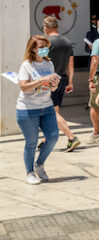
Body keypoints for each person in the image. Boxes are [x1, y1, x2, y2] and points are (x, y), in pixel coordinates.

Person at [16, 35, 60, 184]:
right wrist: (41, 80)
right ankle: (29, 172)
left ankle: (39, 164)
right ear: (33, 49)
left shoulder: (49, 64)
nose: (44, 49)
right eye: (41, 47)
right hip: (27, 108)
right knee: (31, 142)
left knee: (53, 137)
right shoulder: (26, 65)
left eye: (45, 46)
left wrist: (54, 84)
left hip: (46, 106)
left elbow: (51, 88)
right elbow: (23, 86)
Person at [41, 16, 80, 152]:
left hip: (48, 81)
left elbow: (40, 61)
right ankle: (46, 140)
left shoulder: (46, 42)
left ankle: (71, 137)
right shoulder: (67, 42)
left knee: (51, 112)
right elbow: (71, 63)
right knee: (55, 110)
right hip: (62, 79)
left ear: (46, 27)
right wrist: (70, 81)